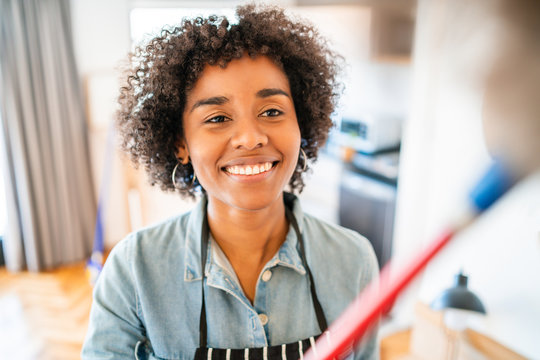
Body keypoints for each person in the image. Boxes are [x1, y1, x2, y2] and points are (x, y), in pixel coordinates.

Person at [82, 4, 379, 360]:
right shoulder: (134, 271)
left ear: (302, 123)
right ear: (181, 144)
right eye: (218, 117)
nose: (250, 138)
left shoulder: (354, 260)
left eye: (271, 111)